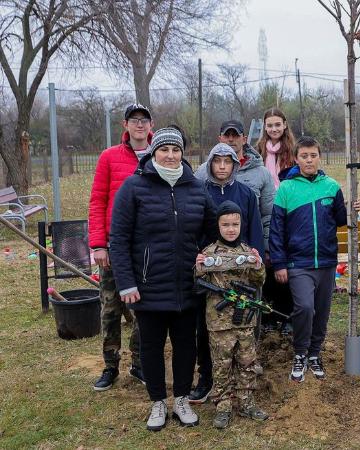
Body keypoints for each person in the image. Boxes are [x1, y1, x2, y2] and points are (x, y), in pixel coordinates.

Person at [109, 126, 216, 431]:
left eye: (176, 150)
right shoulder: (133, 187)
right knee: (152, 346)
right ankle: (158, 402)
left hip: (187, 286)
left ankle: (181, 399)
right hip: (147, 287)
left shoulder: (197, 189)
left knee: (186, 345)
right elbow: (118, 239)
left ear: (183, 153)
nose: (170, 156)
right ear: (153, 153)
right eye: (164, 150)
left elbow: (213, 231)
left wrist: (205, 257)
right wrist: (127, 283)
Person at [269, 136, 360, 382]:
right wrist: (279, 262)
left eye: (313, 155)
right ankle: (300, 352)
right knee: (305, 308)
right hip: (298, 263)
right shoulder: (286, 188)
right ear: (296, 159)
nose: (309, 160)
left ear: (320, 157)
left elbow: (340, 220)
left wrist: (351, 209)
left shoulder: (331, 186)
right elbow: (277, 229)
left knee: (322, 311)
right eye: (304, 156)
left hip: (327, 262)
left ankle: (314, 353)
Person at [189, 143, 264, 404]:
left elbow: (255, 230)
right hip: (213, 275)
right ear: (210, 164)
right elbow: (196, 228)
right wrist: (200, 260)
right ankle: (208, 377)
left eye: (227, 161)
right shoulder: (199, 191)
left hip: (242, 273)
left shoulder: (245, 193)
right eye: (217, 161)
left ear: (235, 164)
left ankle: (246, 379)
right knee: (208, 328)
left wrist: (257, 261)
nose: (222, 166)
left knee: (246, 325)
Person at [88, 103, 152, 391]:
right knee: (111, 307)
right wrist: (99, 244)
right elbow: (98, 200)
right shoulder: (110, 157)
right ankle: (110, 365)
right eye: (134, 120)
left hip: (146, 245)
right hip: (115, 245)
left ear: (151, 125)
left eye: (144, 120)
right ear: (125, 125)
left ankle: (139, 363)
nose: (140, 125)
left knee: (145, 307)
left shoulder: (158, 156)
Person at [195, 201, 268, 429]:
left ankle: (247, 402)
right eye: (225, 224)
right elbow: (197, 286)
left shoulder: (247, 252)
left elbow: (259, 281)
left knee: (247, 362)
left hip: (245, 320)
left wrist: (257, 265)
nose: (230, 229)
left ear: (241, 225)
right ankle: (223, 405)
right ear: (218, 226)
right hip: (219, 324)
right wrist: (199, 267)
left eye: (235, 224)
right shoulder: (208, 253)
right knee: (221, 365)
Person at [196, 120, 275, 242]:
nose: (231, 139)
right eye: (227, 135)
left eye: (236, 135)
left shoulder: (261, 173)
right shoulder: (202, 172)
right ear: (220, 138)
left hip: (245, 250)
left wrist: (265, 249)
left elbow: (268, 215)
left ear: (244, 139)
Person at [255, 108, 297, 335]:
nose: (273, 129)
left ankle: (288, 314)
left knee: (286, 263)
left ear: (284, 125)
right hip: (266, 213)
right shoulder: (259, 151)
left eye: (277, 124)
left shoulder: (292, 151)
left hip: (288, 213)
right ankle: (269, 315)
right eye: (269, 125)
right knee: (268, 263)